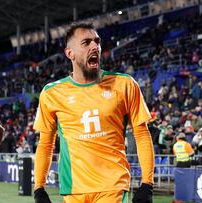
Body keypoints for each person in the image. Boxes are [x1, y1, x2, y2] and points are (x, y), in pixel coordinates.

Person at [33, 23, 154, 203]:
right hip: (72, 189)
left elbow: (142, 134)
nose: (94, 46)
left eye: (97, 41)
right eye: (86, 42)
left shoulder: (125, 84)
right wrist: (39, 188)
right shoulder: (51, 93)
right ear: (70, 53)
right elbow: (46, 143)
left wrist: (147, 184)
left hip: (111, 186)